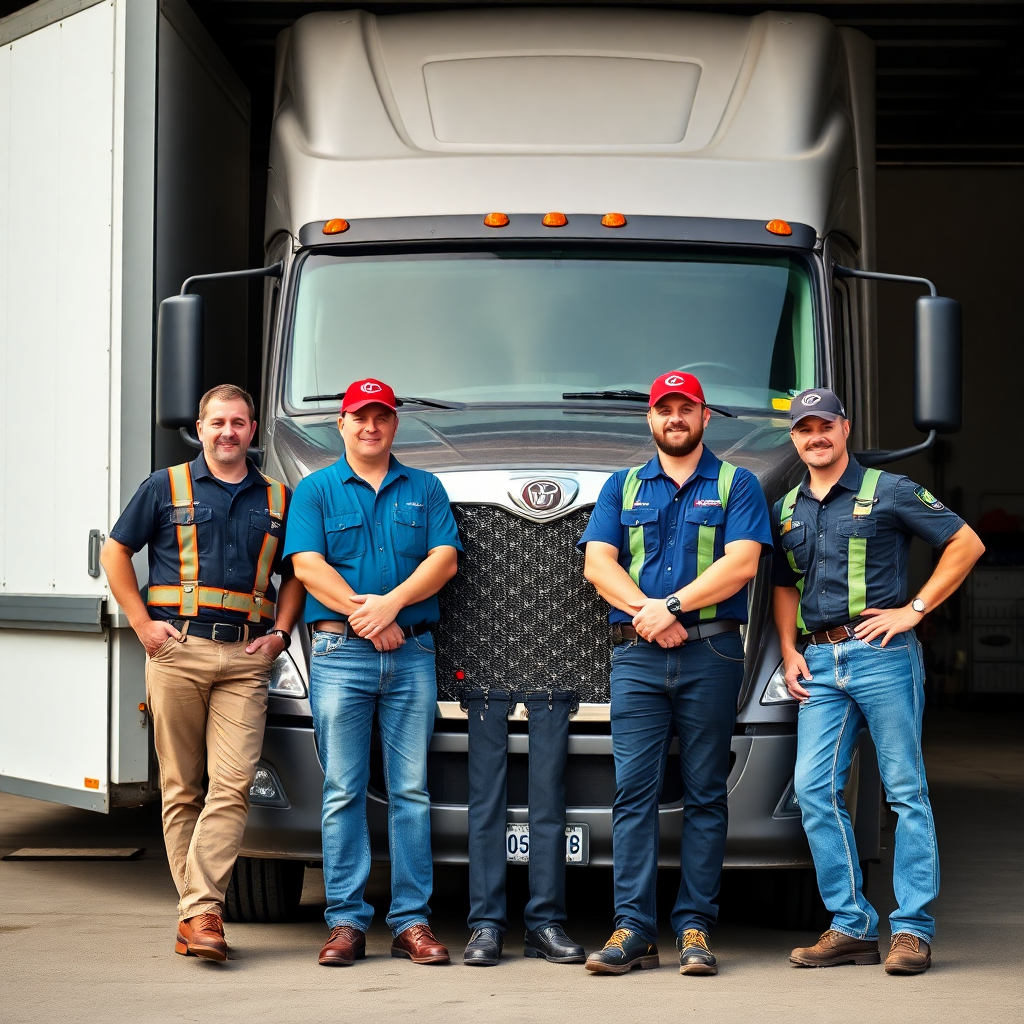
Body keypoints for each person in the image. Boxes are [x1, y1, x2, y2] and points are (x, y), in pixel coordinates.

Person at [772, 388, 984, 975]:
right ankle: (852, 925)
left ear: (845, 428)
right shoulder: (787, 507)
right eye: (803, 428)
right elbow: (785, 583)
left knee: (904, 791)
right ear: (794, 438)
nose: (815, 436)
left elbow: (966, 542)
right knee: (814, 791)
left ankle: (912, 931)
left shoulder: (888, 490)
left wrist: (914, 609)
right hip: (819, 663)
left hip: (882, 655)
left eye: (825, 425)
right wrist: (789, 649)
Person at [101, 384, 303, 961]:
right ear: (200, 427)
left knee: (233, 783)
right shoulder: (165, 485)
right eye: (218, 422)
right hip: (177, 650)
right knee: (182, 787)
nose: (228, 433)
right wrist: (142, 626)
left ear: (253, 428)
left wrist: (281, 634)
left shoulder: (279, 498)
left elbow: (295, 576)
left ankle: (201, 912)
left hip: (245, 659)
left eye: (238, 423)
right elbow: (116, 552)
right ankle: (201, 914)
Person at [578, 371, 771, 976]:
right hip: (637, 657)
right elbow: (596, 562)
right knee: (632, 795)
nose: (675, 418)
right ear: (651, 420)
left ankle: (694, 927)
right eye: (665, 409)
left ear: (705, 416)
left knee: (705, 795)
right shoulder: (622, 484)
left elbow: (742, 564)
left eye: (685, 408)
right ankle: (633, 928)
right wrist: (649, 614)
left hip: (710, 654)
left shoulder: (738, 484)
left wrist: (672, 607)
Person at [284, 378, 462, 967]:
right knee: (343, 791)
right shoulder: (315, 490)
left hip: (411, 656)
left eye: (381, 417)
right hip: (341, 657)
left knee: (411, 791)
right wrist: (370, 616)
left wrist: (391, 608)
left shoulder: (426, 488)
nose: (371, 426)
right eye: (360, 417)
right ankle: (345, 923)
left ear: (394, 424)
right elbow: (308, 567)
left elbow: (444, 561)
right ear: (342, 424)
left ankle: (411, 922)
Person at [462, 685, 585, 967]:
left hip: (552, 700)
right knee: (485, 806)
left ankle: (544, 925)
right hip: (484, 699)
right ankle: (485, 924)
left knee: (549, 805)